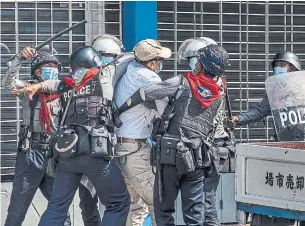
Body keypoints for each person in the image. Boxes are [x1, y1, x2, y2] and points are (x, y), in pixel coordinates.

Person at [15, 46, 131, 226]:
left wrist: (37, 85)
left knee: (57, 207)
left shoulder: (67, 85)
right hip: (96, 152)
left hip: (67, 154)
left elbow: (52, 85)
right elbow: (129, 58)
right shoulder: (103, 76)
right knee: (118, 203)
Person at [122, 40, 230, 225]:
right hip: (197, 159)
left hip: (170, 157)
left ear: (202, 65)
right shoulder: (219, 96)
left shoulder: (182, 82)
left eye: (197, 61)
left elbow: (149, 92)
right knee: (194, 215)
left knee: (163, 211)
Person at [2, 48, 71, 226]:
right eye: (48, 66)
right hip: (30, 153)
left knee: (60, 210)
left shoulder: (63, 90)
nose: (53, 69)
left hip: (55, 155)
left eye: (56, 66)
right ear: (37, 71)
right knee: (17, 210)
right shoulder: (28, 89)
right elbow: (8, 84)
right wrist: (18, 59)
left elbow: (67, 83)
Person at [113, 39, 171, 226]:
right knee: (157, 203)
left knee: (136, 205)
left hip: (121, 147)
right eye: (159, 59)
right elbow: (165, 111)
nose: (161, 64)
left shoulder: (129, 69)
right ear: (152, 62)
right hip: (135, 151)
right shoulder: (149, 78)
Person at [231, 51, 301, 126]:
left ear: (293, 68)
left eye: (282, 65)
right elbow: (261, 110)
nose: (278, 68)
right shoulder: (276, 91)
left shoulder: (302, 86)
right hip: (286, 134)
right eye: (276, 65)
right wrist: (239, 118)